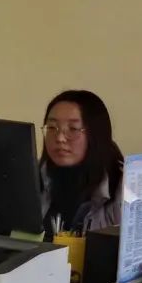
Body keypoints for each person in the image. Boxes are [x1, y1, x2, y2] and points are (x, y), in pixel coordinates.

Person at [39, 90, 123, 239]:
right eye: (52, 128)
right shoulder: (33, 177)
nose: (60, 138)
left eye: (73, 129)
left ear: (95, 135)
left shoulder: (124, 188)